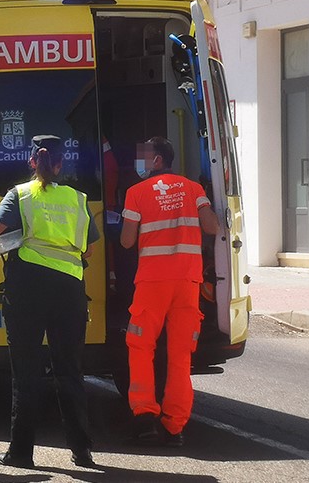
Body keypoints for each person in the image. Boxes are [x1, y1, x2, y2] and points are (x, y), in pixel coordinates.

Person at [0, 135, 99, 470]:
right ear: (59, 163)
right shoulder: (78, 198)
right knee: (70, 370)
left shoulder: (20, 195)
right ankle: (81, 450)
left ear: (32, 162)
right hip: (70, 291)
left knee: (25, 372)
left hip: (27, 291)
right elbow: (89, 247)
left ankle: (21, 452)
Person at [120, 136, 221, 447]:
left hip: (152, 283)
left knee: (141, 347)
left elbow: (126, 241)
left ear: (157, 160)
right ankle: (174, 426)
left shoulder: (136, 193)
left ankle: (144, 416)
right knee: (180, 355)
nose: (139, 164)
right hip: (187, 283)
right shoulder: (195, 189)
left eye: (143, 158)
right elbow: (212, 227)